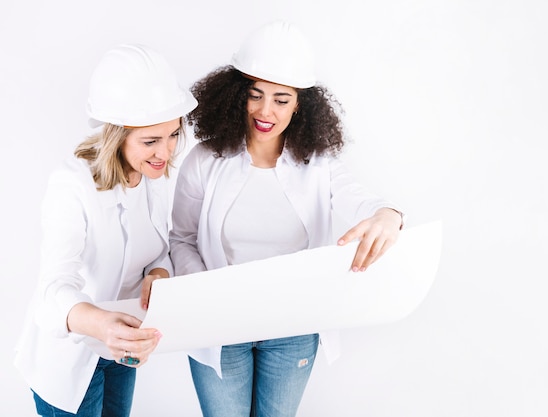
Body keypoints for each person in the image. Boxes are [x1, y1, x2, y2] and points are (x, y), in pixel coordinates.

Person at [169, 20, 404, 417]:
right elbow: (182, 239)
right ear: (235, 95)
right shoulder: (204, 160)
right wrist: (210, 290)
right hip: (220, 325)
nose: (265, 111)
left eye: (281, 98)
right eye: (255, 95)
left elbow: (364, 201)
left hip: (292, 329)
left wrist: (388, 216)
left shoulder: (319, 164)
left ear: (301, 104)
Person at [13, 44, 198, 416]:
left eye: (173, 135)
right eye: (150, 141)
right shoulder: (72, 184)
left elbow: (156, 249)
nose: (166, 152)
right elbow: (53, 290)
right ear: (116, 135)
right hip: (70, 354)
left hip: (120, 349)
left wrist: (159, 273)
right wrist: (101, 325)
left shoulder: (153, 177)